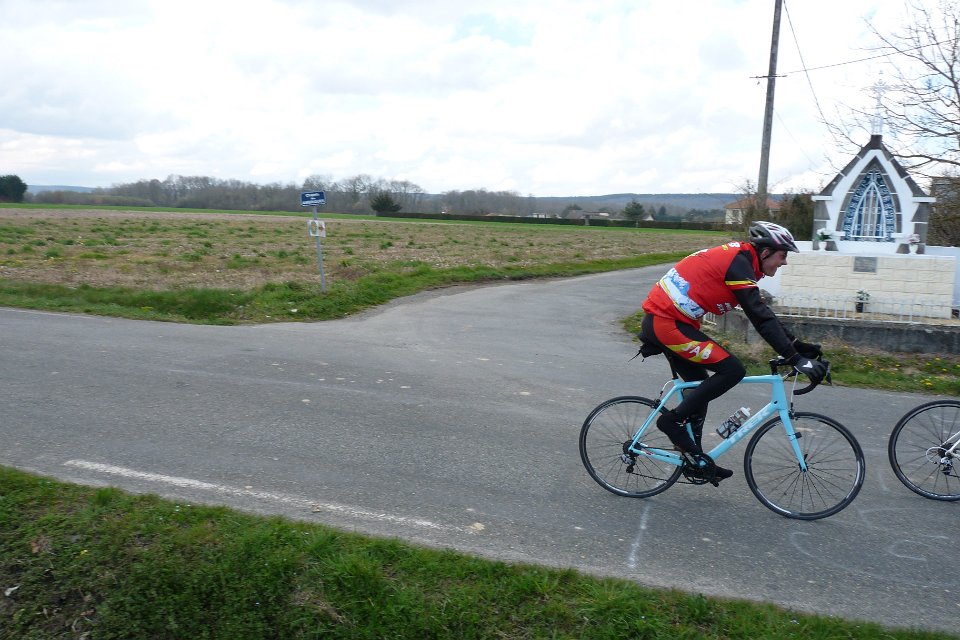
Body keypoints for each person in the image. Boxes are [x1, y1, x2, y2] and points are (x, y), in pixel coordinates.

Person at [638, 221, 827, 480]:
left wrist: (796, 345)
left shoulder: (743, 261)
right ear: (765, 252)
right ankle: (670, 422)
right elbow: (759, 317)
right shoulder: (738, 263)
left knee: (699, 387)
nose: (784, 262)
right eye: (783, 255)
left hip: (674, 322)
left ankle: (695, 459)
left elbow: (763, 312)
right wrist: (794, 358)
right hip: (666, 323)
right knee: (733, 370)